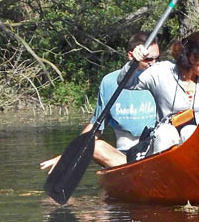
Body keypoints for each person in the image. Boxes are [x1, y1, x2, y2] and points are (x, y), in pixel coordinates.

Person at [40, 33, 160, 172]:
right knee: (95, 146)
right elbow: (95, 128)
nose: (154, 64)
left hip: (155, 152)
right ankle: (135, 172)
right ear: (131, 56)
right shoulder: (109, 82)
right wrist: (67, 157)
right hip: (123, 158)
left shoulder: (161, 78)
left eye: (157, 58)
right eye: (148, 59)